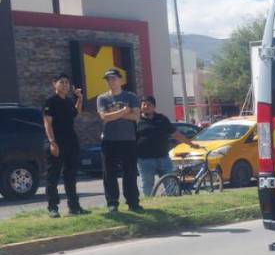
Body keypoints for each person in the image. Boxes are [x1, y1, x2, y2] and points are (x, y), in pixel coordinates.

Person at [96, 68, 142, 213]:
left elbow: (136, 116)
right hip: (109, 140)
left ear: (120, 80)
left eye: (114, 78)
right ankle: (112, 203)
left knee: (130, 172)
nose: (111, 81)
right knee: (109, 173)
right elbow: (104, 117)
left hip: (128, 140)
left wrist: (114, 115)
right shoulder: (102, 98)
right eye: (108, 79)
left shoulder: (130, 96)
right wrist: (123, 111)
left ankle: (133, 203)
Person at [42, 74, 87, 218]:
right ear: (54, 84)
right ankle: (53, 207)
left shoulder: (68, 101)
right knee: (53, 177)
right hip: (56, 142)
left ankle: (74, 207)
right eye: (61, 82)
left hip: (71, 142)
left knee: (71, 175)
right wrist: (52, 142)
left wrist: (79, 98)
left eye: (67, 82)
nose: (65, 85)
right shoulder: (50, 101)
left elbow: (76, 113)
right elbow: (47, 123)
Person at [136, 96, 200, 196]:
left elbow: (176, 135)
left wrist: (191, 144)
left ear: (154, 107)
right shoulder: (136, 121)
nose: (146, 107)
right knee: (147, 185)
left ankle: (172, 201)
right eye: (144, 104)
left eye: (149, 105)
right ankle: (149, 203)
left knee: (170, 182)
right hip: (145, 160)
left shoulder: (162, 119)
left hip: (163, 158)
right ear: (140, 106)